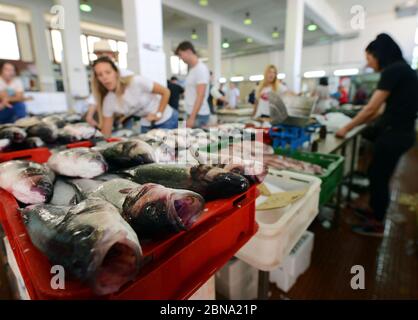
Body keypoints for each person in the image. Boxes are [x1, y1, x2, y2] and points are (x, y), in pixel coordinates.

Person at [336, 33, 418, 237]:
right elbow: (383, 109)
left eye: (369, 58)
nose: (369, 63)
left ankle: (378, 222)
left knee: (379, 176)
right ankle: (374, 210)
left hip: (395, 134)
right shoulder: (403, 70)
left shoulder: (393, 71)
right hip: (402, 133)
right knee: (376, 172)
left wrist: (346, 128)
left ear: (379, 54)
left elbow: (372, 108)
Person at [91, 56, 177, 137]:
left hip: (167, 119)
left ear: (116, 73)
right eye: (100, 75)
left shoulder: (136, 81)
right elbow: (106, 133)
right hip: (146, 124)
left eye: (108, 72)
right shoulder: (108, 101)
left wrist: (158, 114)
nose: (104, 77)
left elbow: (166, 92)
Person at [85, 40, 134, 128]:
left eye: (104, 53)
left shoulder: (126, 74)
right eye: (98, 54)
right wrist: (89, 116)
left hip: (125, 115)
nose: (101, 56)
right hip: (110, 115)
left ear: (111, 54)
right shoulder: (98, 76)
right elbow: (95, 96)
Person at [175, 41, 210, 128]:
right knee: (184, 138)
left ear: (189, 51)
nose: (180, 58)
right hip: (190, 113)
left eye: (180, 54)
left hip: (198, 115)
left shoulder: (200, 69)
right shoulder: (192, 69)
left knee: (196, 141)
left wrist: (192, 117)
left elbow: (200, 95)